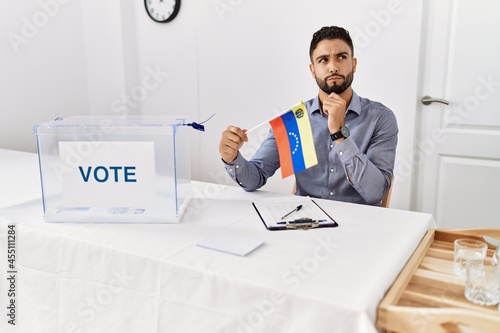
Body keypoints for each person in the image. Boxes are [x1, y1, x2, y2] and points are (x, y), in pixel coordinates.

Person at [218, 26, 398, 206]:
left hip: (360, 225)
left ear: (354, 64)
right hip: (304, 223)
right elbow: (255, 178)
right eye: (323, 60)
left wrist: (339, 133)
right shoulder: (295, 119)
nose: (333, 67)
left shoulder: (380, 119)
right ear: (312, 70)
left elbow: (375, 193)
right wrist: (231, 157)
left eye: (341, 57)